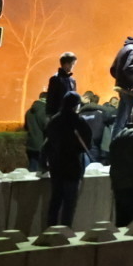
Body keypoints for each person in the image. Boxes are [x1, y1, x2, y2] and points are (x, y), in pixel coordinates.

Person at [44, 92, 93, 227]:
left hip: (56, 167)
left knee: (55, 202)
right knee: (69, 205)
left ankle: (50, 231)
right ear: (76, 105)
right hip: (73, 167)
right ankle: (65, 232)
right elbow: (87, 143)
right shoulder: (79, 121)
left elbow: (47, 143)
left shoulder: (54, 120)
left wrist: (44, 164)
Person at [47, 53, 78, 122]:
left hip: (69, 117)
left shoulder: (72, 80)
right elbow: (50, 99)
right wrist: (51, 116)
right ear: (66, 64)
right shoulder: (55, 79)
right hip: (58, 117)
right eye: (73, 64)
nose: (73, 66)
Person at [24, 92, 49, 172]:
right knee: (40, 171)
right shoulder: (44, 111)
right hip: (41, 145)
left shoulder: (29, 111)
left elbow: (26, 127)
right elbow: (47, 127)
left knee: (32, 167)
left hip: (30, 144)